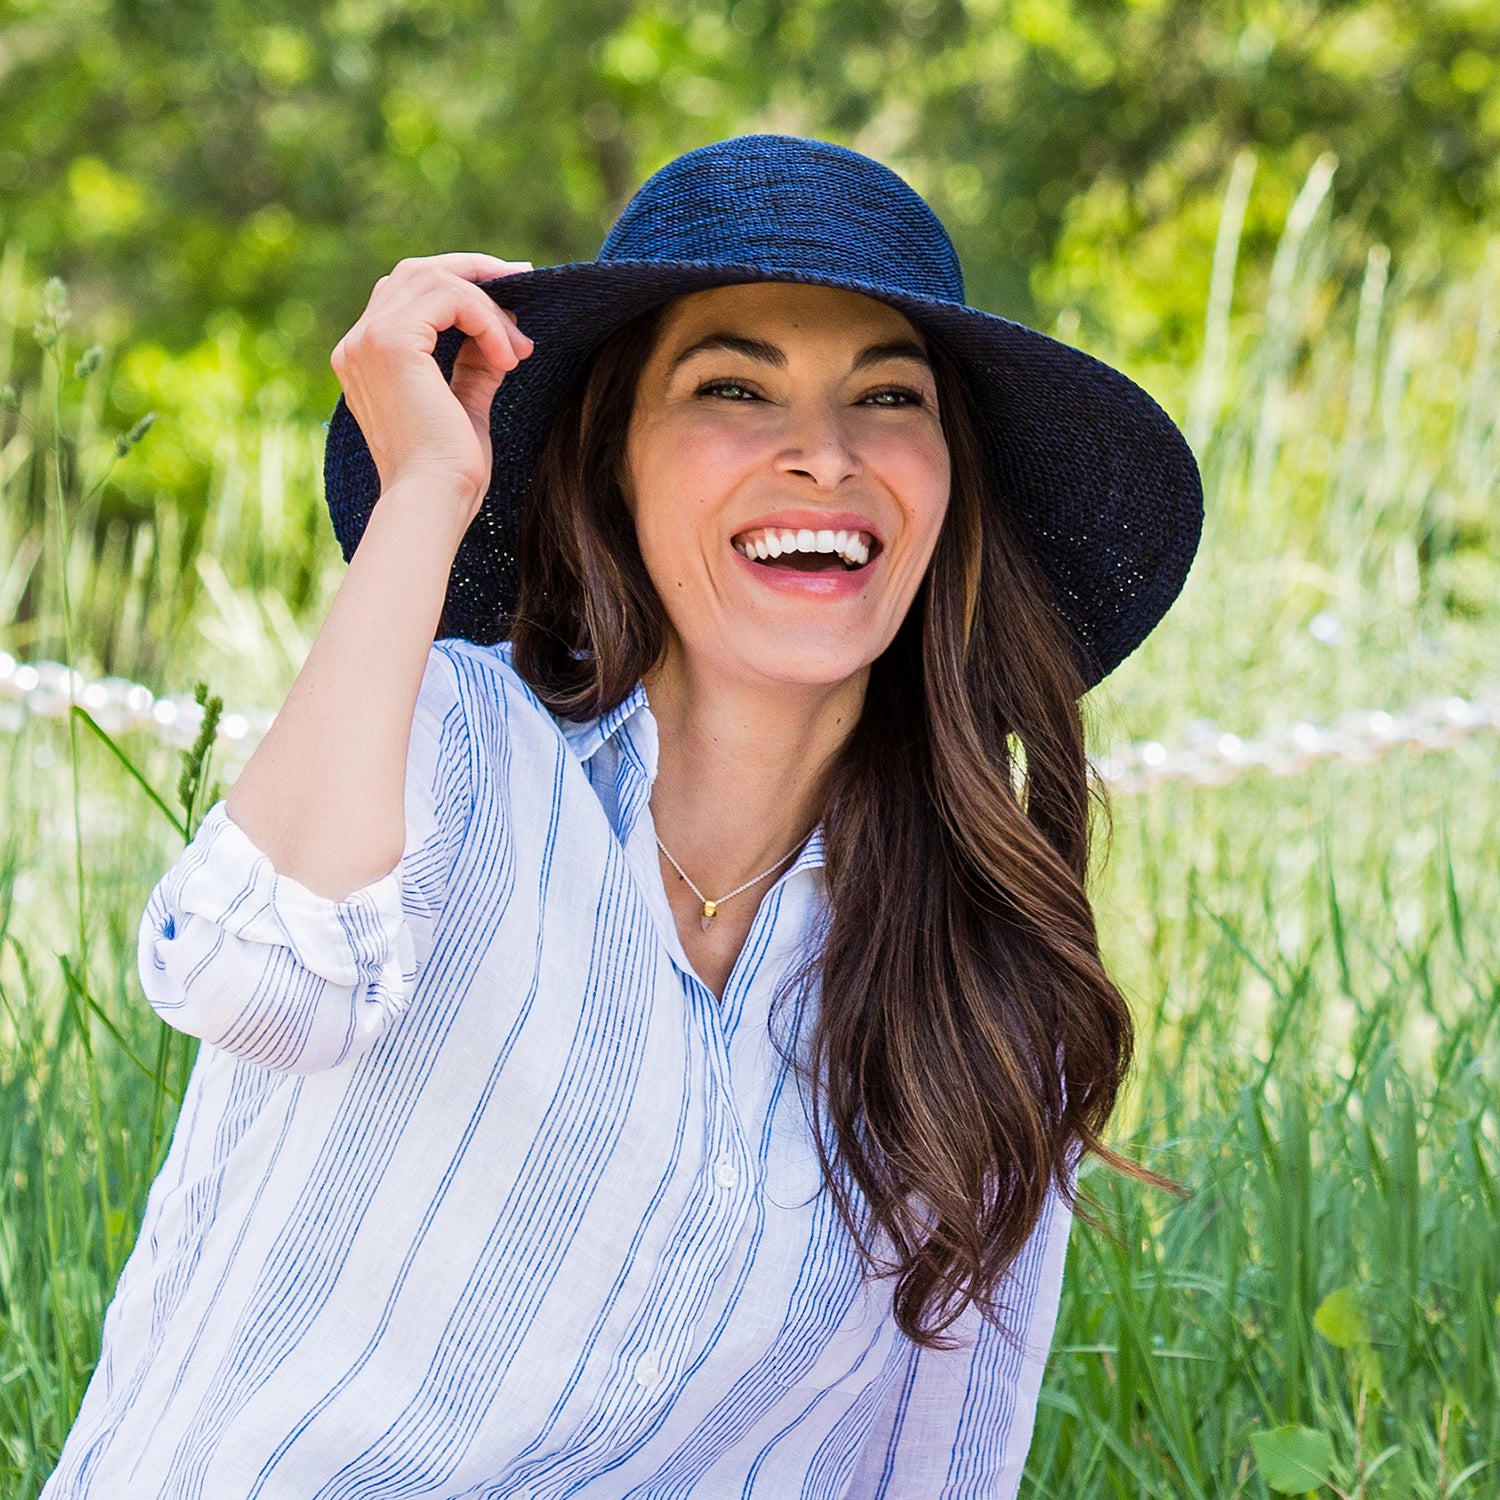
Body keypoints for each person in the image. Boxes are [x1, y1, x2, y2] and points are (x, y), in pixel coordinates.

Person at [44, 134, 1201, 1498]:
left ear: (949, 489)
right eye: (733, 388)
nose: (822, 457)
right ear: (615, 461)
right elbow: (256, 976)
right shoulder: (448, 750)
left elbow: (933, 1467)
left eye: (887, 399)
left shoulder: (984, 978)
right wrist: (424, 489)